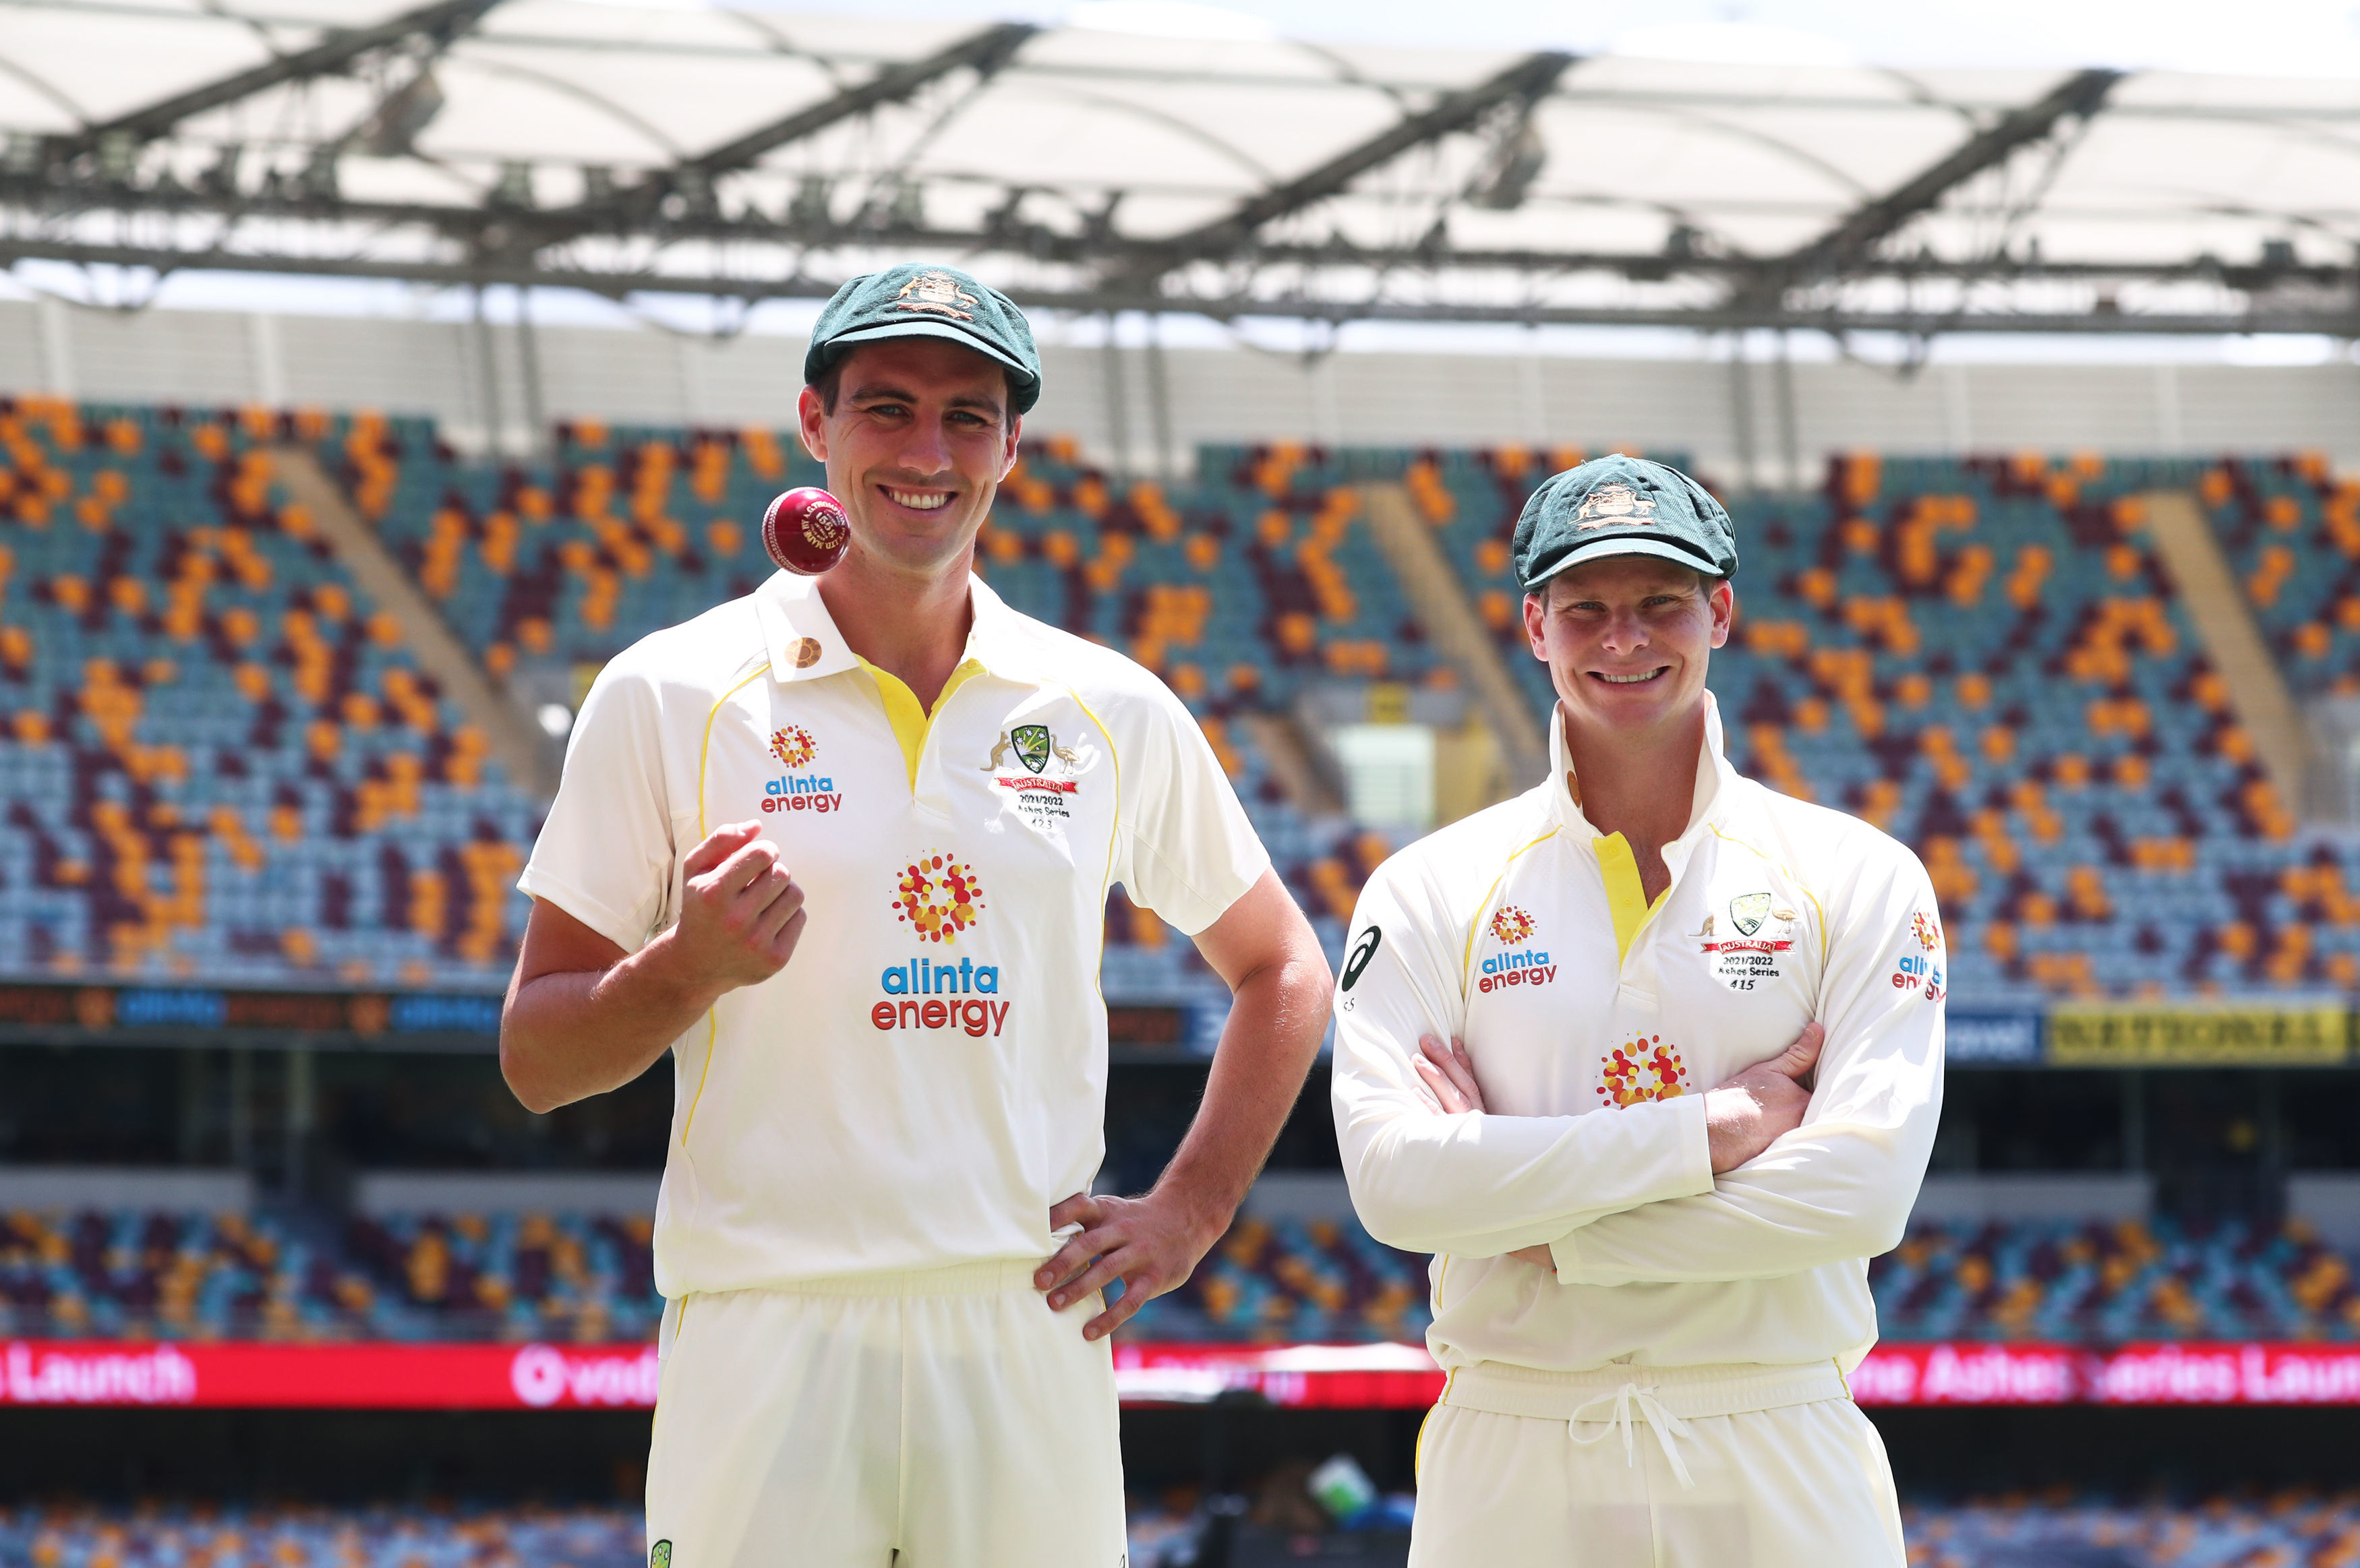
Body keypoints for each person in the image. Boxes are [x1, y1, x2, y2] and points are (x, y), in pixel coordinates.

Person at [500, 262, 1332, 1568]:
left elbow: (1282, 964)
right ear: (814, 427)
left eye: (966, 415)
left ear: (1012, 445)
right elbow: (539, 1058)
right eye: (885, 408)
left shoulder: (1105, 705)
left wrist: (1189, 1210)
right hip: (765, 1319)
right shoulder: (669, 689)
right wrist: (688, 969)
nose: (926, 450)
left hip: (1024, 1317)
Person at [1330, 455, 1945, 1566]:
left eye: (1661, 602)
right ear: (1534, 624)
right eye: (1588, 608)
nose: (1625, 639)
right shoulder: (1428, 886)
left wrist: (1537, 1225)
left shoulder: (1860, 875)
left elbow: (1861, 1193)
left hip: (1776, 1430)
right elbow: (1394, 1182)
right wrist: (1704, 1134)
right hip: (1512, 1443)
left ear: (1719, 611)